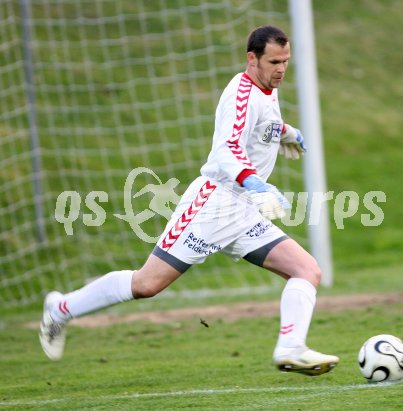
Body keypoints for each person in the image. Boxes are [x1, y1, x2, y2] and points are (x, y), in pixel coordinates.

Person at [39, 25, 339, 376]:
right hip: (213, 203)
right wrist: (256, 183)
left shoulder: (267, 87)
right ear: (251, 58)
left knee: (306, 270)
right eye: (274, 61)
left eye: (286, 61)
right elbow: (226, 148)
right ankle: (60, 308)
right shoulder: (239, 94)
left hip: (242, 211)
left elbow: (264, 118)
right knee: (146, 285)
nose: (281, 69)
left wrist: (286, 132)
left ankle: (290, 347)